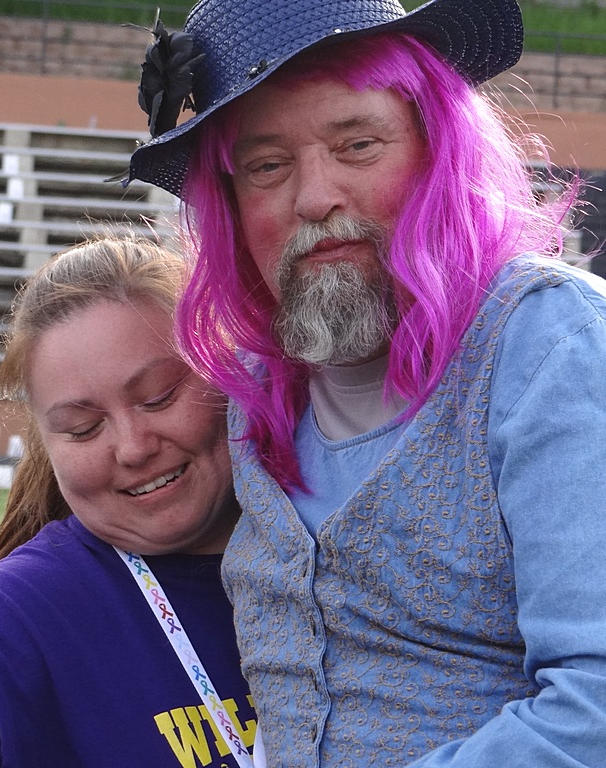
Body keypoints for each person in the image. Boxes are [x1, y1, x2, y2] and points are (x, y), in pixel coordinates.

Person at [126, 0, 606, 766]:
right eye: (266, 166)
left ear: (435, 151)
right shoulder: (255, 388)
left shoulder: (549, 345)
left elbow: (596, 708)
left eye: (357, 145)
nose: (314, 197)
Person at [0, 237, 257, 768]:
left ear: (228, 367)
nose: (133, 447)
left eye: (158, 398)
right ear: (45, 443)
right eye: (83, 428)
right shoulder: (6, 625)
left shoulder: (345, 554)